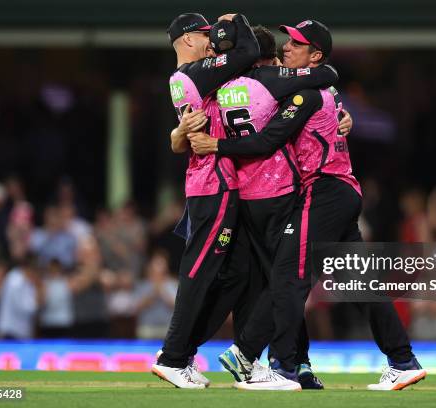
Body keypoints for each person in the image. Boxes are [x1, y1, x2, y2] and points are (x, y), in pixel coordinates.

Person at [190, 20, 425, 391]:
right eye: (289, 40)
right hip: (343, 190)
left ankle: (281, 368)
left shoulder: (307, 95)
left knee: (288, 275)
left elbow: (268, 140)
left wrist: (216, 146)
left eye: (297, 43)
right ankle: (402, 360)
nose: (287, 46)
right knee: (360, 285)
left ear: (313, 55)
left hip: (324, 191)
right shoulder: (322, 89)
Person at [151, 12, 260, 389]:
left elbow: (180, 140)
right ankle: (172, 356)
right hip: (212, 185)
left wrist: (178, 132)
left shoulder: (185, 79)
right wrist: (239, 21)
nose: (211, 41)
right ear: (186, 40)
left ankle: (181, 352)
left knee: (233, 274)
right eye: (204, 35)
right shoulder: (194, 73)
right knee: (199, 270)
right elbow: (248, 51)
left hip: (214, 184)